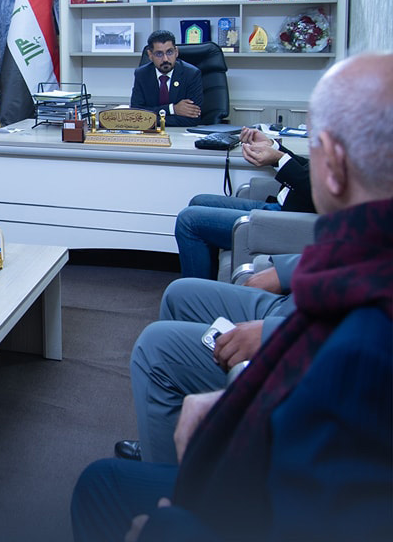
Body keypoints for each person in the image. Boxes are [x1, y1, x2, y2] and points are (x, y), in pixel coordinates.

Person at [71, 52, 393, 542]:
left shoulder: (361, 350)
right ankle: (169, 455)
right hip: (283, 322)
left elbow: (311, 512)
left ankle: (172, 479)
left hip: (245, 490)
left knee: (99, 485)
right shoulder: (359, 254)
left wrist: (168, 525)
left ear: (334, 163)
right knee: (181, 291)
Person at [116, 254, 300, 465]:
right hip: (297, 305)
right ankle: (162, 443)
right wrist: (286, 270)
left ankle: (173, 480)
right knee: (179, 294)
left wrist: (275, 334)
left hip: (309, 340)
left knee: (154, 348)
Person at [175, 126, 314, 279]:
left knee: (188, 220)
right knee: (199, 201)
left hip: (291, 221)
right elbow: (308, 168)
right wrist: (272, 146)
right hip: (282, 206)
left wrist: (279, 158)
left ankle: (196, 292)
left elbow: (316, 187)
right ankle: (208, 281)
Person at [130, 30, 203, 127]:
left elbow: (193, 119)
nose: (165, 59)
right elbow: (136, 115)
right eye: (159, 54)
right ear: (150, 55)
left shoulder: (191, 74)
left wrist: (151, 118)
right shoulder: (142, 74)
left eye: (169, 52)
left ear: (176, 52)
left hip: (181, 133)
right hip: (150, 133)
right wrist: (172, 109)